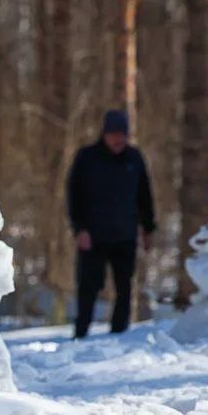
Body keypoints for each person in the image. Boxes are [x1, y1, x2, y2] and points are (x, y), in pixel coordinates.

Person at [66, 109, 157, 339]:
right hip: (92, 236)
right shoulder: (87, 157)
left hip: (125, 234)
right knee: (89, 287)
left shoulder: (134, 158)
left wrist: (148, 228)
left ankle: (119, 334)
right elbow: (74, 196)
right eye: (114, 134)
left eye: (123, 134)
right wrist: (80, 229)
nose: (119, 139)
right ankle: (81, 333)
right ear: (104, 134)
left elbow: (145, 196)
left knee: (124, 287)